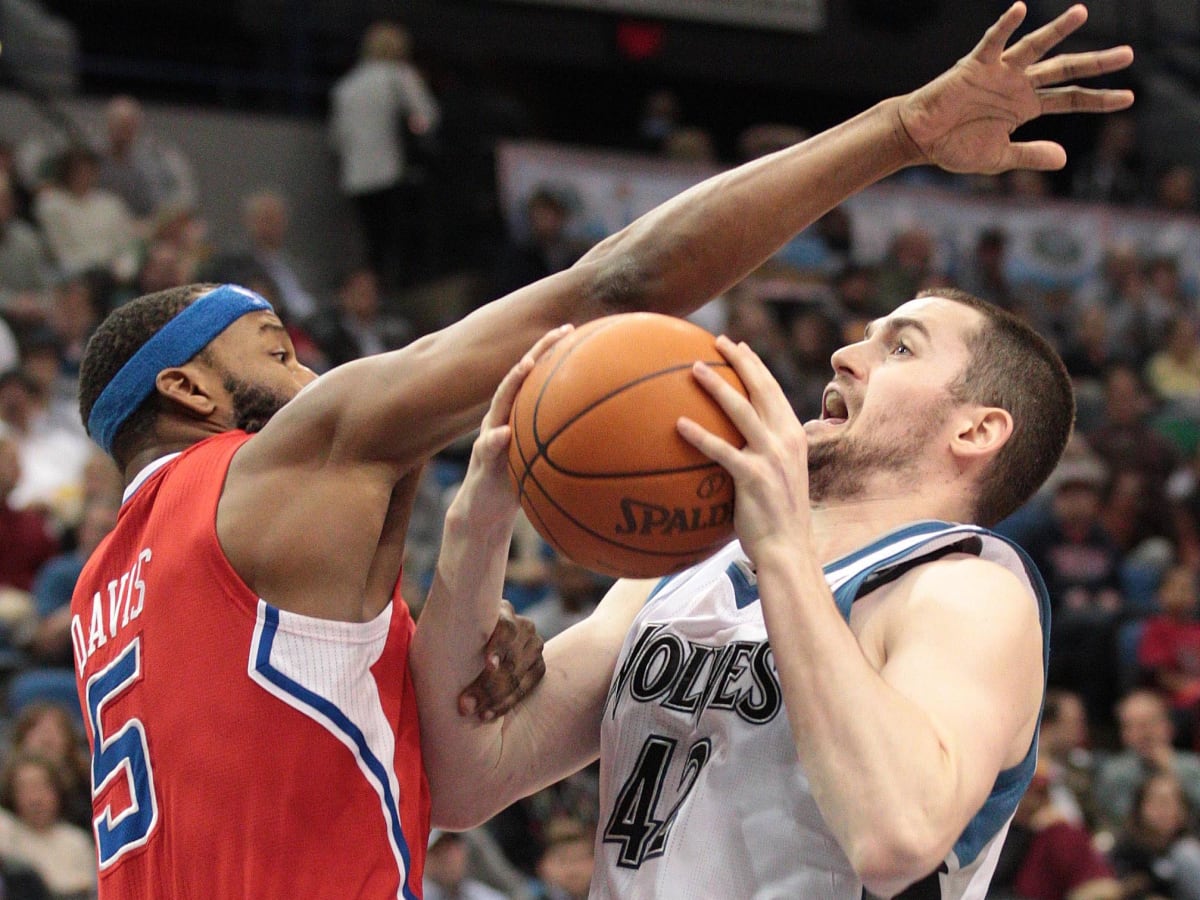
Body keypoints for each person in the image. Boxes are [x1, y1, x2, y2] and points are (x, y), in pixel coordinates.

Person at [70, 3, 1134, 896]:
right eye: (278, 351)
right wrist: (480, 521)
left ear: (978, 428)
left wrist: (492, 538)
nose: (851, 347)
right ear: (189, 386)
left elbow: (898, 839)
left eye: (899, 342)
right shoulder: (680, 573)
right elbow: (469, 777)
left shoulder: (964, 591)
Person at [329, 20, 440, 292]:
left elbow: (337, 139)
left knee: (370, 244)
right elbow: (427, 118)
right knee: (396, 245)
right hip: (390, 173)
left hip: (355, 177)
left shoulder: (347, 86)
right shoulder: (399, 75)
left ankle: (371, 292)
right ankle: (394, 293)